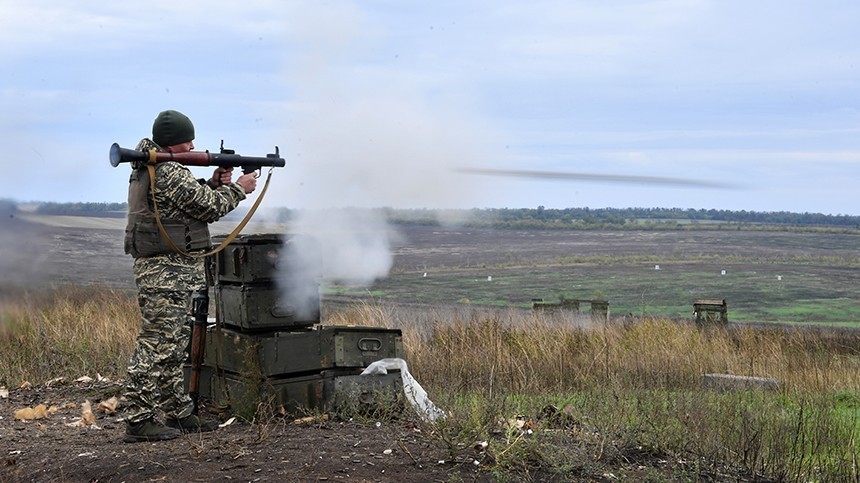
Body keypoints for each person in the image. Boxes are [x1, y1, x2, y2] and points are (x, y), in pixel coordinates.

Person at [122, 109, 257, 443]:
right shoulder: (168, 171)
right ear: (173, 144)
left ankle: (178, 411)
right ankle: (138, 419)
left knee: (175, 343)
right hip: (165, 273)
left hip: (171, 272)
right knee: (158, 343)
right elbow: (209, 208)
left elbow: (181, 204)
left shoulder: (153, 168)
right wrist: (240, 188)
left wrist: (212, 183)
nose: (194, 146)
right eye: (188, 142)